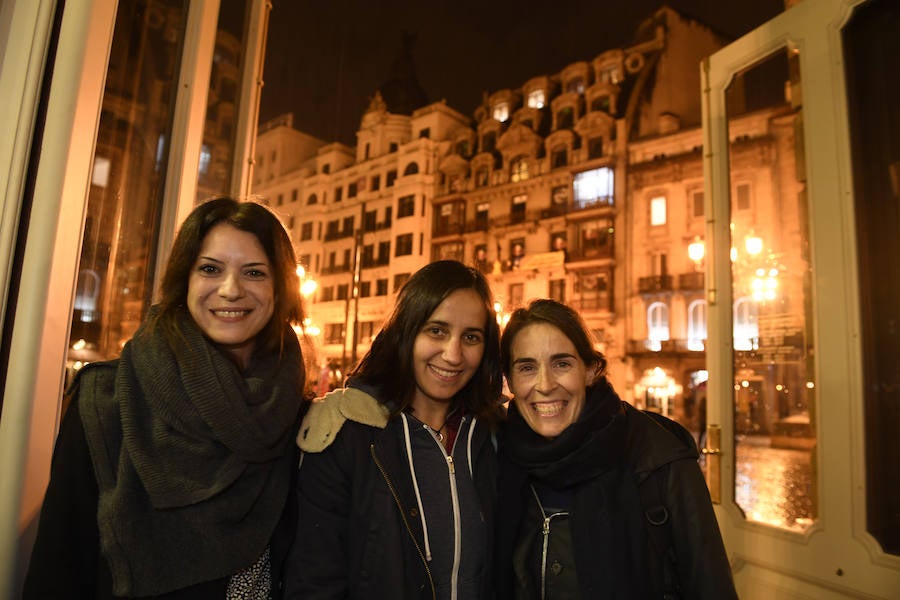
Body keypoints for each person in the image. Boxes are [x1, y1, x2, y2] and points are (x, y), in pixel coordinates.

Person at [23, 197, 307, 599]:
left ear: (280, 289)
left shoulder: (296, 413)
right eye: (210, 269)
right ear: (184, 280)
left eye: (255, 273)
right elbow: (58, 565)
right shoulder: (108, 397)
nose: (231, 290)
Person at [285, 260, 503, 599]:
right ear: (406, 331)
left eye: (471, 337)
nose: (453, 354)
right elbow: (314, 580)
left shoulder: (493, 434)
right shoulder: (347, 430)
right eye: (437, 331)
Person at [495, 299, 737, 599]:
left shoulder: (661, 457)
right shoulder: (497, 454)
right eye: (527, 367)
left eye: (562, 364)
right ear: (509, 380)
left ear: (590, 370)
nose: (545, 385)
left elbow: (710, 585)